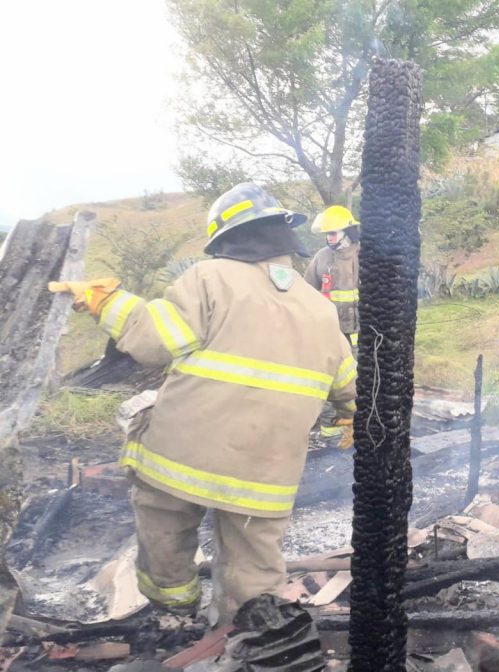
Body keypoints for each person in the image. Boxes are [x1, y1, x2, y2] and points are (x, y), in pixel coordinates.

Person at [49, 183, 356, 625]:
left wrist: (106, 301)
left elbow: (153, 341)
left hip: (182, 461)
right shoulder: (319, 308)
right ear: (283, 237)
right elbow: (348, 383)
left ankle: (175, 612)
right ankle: (256, 635)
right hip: (265, 473)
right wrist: (354, 414)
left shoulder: (208, 279)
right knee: (256, 564)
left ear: (225, 237)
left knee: (164, 530)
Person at [303, 205, 360, 353]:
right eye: (327, 233)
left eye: (333, 233)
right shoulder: (322, 257)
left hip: (362, 331)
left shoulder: (363, 255)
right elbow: (306, 292)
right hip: (331, 330)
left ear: (347, 232)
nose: (329, 237)